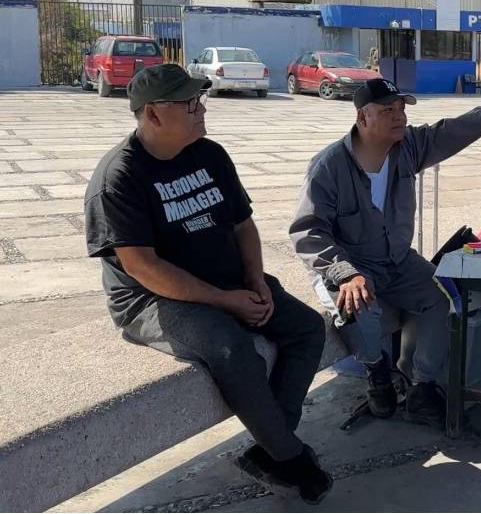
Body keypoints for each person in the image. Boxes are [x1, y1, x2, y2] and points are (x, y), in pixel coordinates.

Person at [83, 64, 332, 504]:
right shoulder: (118, 178)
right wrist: (226, 301)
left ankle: (272, 448)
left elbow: (243, 225)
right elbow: (142, 267)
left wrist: (255, 281)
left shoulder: (209, 154)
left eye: (200, 100)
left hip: (227, 279)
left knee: (308, 329)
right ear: (153, 114)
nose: (201, 109)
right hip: (152, 299)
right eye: (189, 104)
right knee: (233, 349)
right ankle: (291, 458)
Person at [290, 78, 481, 428]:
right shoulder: (329, 167)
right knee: (359, 308)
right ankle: (378, 375)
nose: (399, 117)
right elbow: (308, 232)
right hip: (349, 266)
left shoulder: (408, 147)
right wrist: (345, 273)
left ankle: (421, 387)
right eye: (388, 110)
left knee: (441, 298)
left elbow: (452, 130)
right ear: (363, 117)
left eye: (401, 108)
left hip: (397, 260)